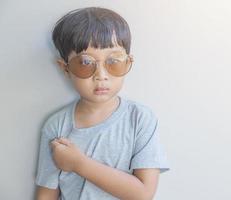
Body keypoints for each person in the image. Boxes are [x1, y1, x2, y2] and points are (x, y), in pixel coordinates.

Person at [35, 6, 170, 200]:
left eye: (114, 61)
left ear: (128, 61)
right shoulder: (56, 125)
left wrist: (78, 163)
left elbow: (143, 194)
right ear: (65, 68)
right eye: (85, 63)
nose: (101, 76)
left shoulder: (140, 119)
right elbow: (46, 194)